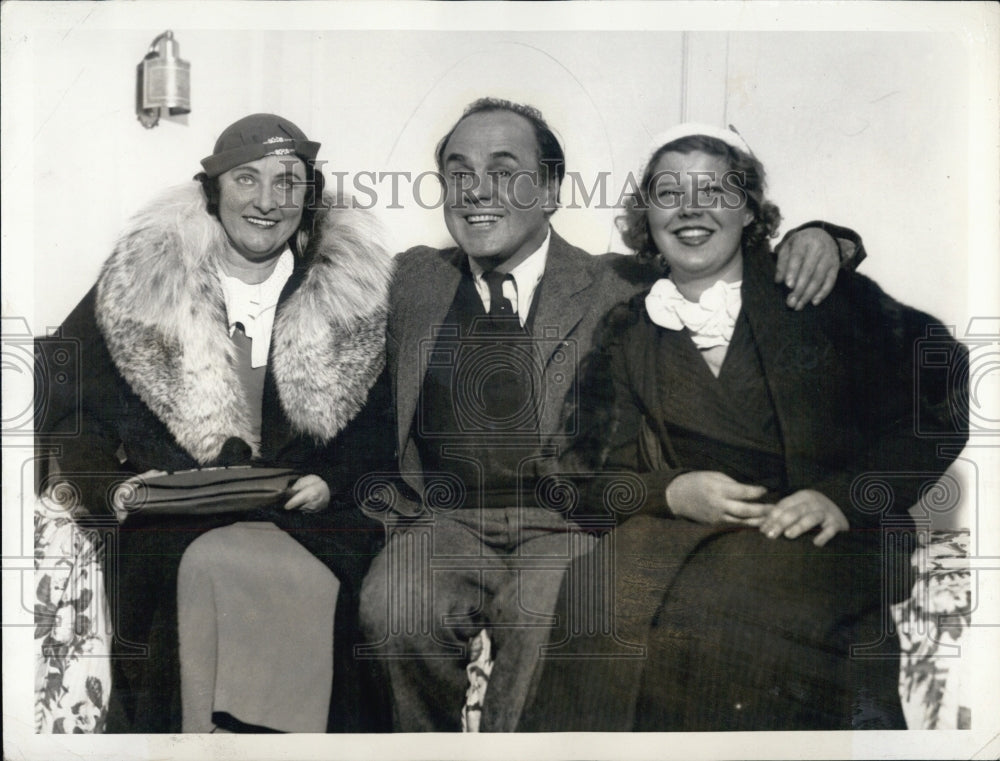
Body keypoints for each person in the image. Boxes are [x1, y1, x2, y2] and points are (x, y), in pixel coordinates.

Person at [357, 99, 862, 732]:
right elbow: (304, 274)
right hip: (448, 521)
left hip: (569, 524)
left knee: (549, 610)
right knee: (393, 604)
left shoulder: (621, 283)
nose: (476, 190)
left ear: (548, 190)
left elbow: (720, 249)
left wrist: (826, 239)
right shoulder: (412, 279)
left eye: (503, 169)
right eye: (459, 173)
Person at [517, 124, 969, 731]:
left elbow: (948, 393)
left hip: (833, 539)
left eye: (715, 189)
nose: (691, 207)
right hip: (694, 534)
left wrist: (846, 496)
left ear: (750, 209)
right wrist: (672, 493)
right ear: (646, 215)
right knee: (597, 591)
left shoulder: (816, 290)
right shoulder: (630, 328)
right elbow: (573, 475)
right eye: (669, 191)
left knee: (720, 611)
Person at [36, 114, 395, 732]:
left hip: (307, 518)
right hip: (175, 516)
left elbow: (384, 423)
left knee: (324, 591)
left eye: (288, 182)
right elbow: (71, 414)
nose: (266, 201)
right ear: (213, 191)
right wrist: (112, 489)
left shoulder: (350, 296)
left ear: (308, 197)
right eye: (246, 180)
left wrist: (333, 479)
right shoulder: (142, 286)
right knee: (197, 573)